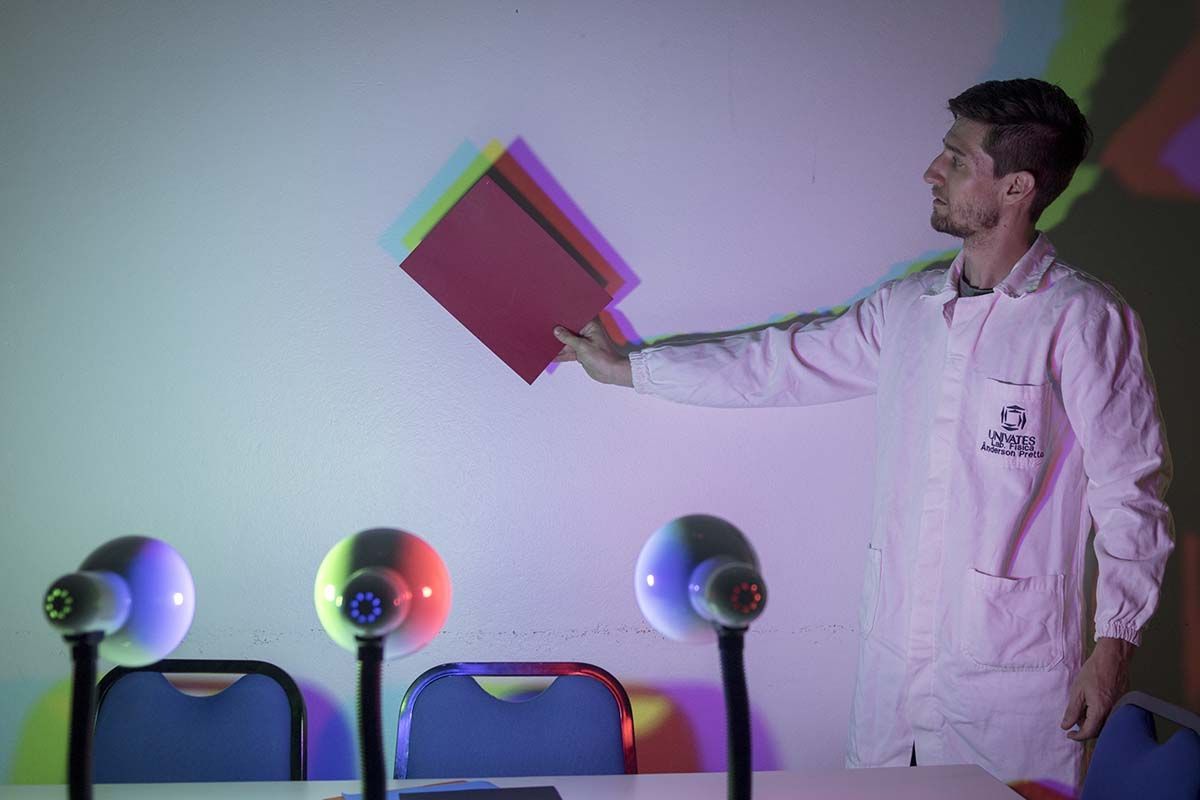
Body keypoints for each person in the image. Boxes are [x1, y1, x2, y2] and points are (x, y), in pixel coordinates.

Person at [553, 78, 1174, 787]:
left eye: (957, 159)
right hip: (895, 672)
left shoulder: (1083, 319)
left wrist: (1114, 644)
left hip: (1011, 675)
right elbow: (778, 364)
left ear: (1016, 187)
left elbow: (1131, 492)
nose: (932, 172)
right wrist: (631, 370)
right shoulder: (908, 310)